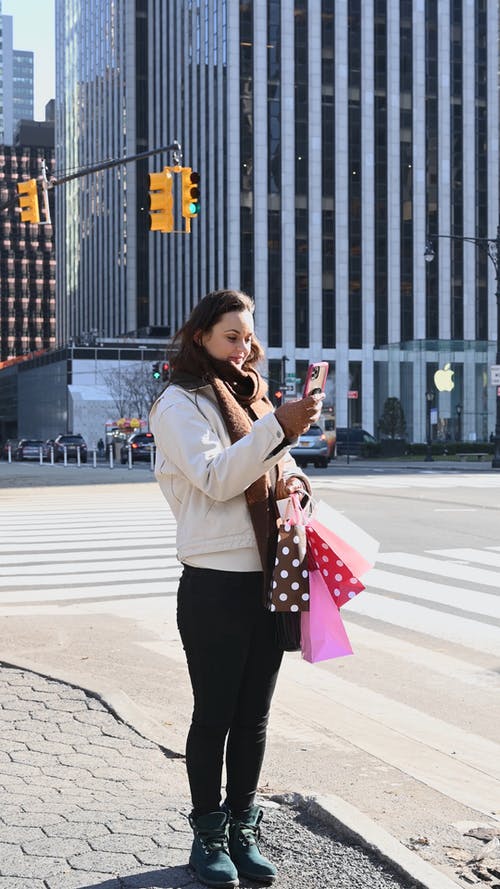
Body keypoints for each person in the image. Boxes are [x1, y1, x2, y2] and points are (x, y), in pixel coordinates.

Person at [150, 289, 323, 888]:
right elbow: (218, 479)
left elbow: (279, 468)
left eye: (248, 337)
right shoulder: (179, 404)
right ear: (200, 337)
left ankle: (244, 829)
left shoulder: (253, 399)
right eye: (232, 337)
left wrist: (297, 483)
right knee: (216, 714)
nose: (244, 347)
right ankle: (208, 836)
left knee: (253, 717)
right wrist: (279, 426)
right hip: (215, 584)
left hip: (270, 576)